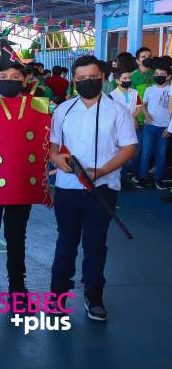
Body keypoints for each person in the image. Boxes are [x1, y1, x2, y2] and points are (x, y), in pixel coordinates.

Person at [49, 55, 137, 321]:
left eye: (92, 77)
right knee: (66, 241)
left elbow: (129, 147)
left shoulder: (118, 111)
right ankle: (58, 294)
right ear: (74, 80)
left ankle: (94, 295)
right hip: (67, 188)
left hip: (103, 189)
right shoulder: (63, 110)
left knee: (95, 243)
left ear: (102, 77)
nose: (86, 81)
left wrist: (101, 171)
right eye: (81, 78)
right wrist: (55, 159)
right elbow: (53, 146)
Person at [0, 52, 52, 298]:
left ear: (25, 80)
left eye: (15, 77)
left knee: (16, 238)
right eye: (4, 77)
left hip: (21, 184)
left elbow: (43, 147)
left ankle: (17, 287)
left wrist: (45, 183)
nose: (9, 81)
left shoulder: (38, 107)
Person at [134, 60, 171, 189]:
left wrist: (169, 128)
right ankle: (142, 178)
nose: (158, 76)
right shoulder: (149, 90)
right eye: (156, 74)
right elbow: (143, 105)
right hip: (149, 127)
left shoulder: (170, 90)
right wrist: (146, 114)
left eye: (162, 74)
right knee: (146, 153)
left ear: (168, 76)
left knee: (161, 155)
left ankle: (158, 180)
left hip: (164, 128)